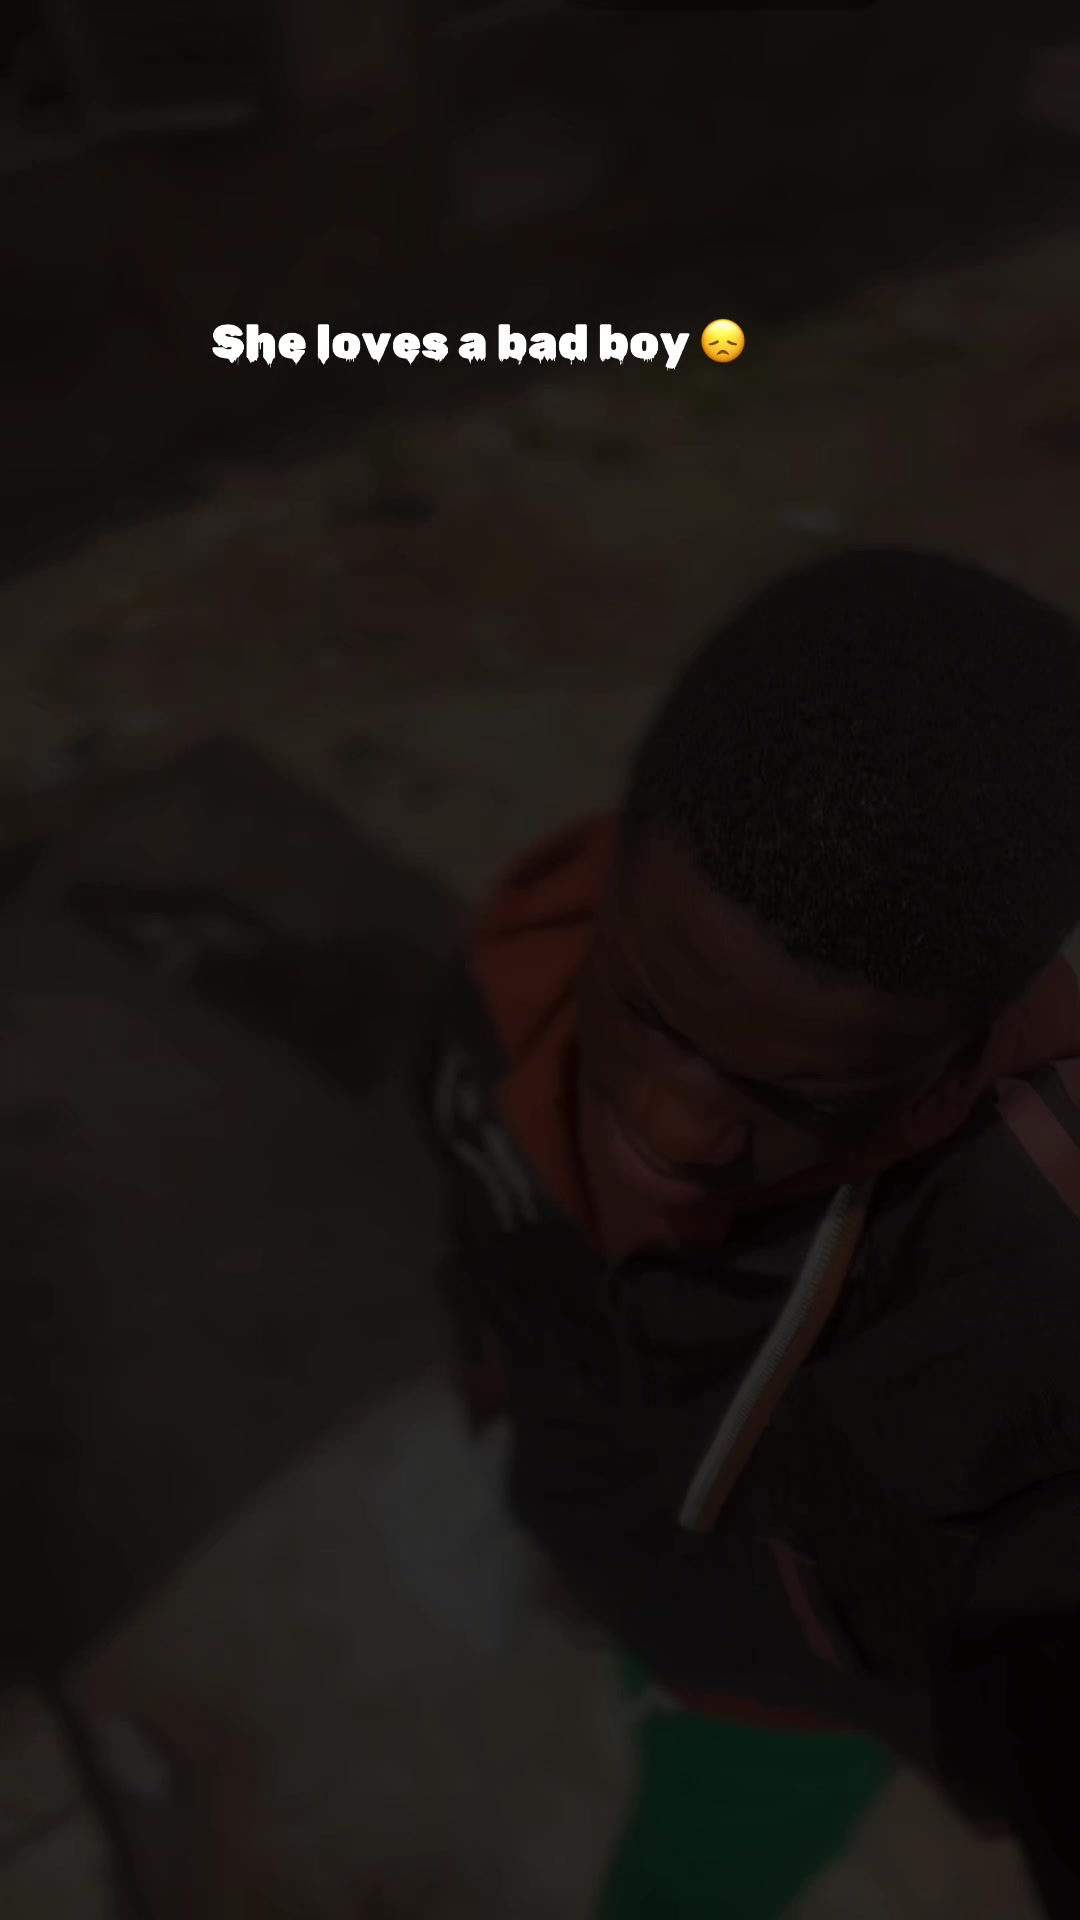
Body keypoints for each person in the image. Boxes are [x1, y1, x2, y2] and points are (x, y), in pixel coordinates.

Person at [421, 548, 1080, 1918]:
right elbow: (491, 1263)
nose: (670, 1127)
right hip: (618, 1560)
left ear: (962, 1065)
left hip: (779, 1715)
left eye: (793, 1094)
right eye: (647, 1008)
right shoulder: (508, 985)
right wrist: (503, 1405)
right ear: (612, 869)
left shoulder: (1025, 1287)